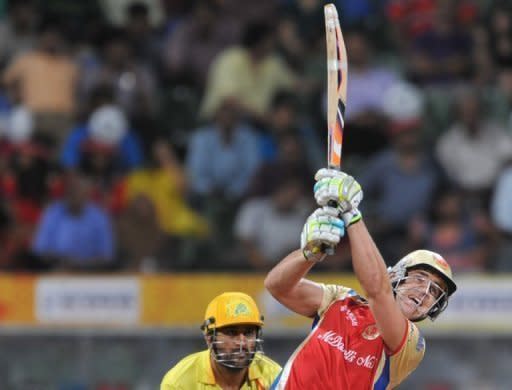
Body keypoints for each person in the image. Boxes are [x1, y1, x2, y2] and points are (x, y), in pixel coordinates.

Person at [265, 169, 457, 389]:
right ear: (396, 275)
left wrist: (351, 213)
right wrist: (309, 254)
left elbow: (377, 290)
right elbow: (276, 286)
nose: (424, 293)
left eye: (435, 292)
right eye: (420, 278)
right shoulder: (340, 299)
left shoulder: (412, 342)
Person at [161, 292, 281, 390]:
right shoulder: (179, 383)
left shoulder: (275, 377)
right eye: (231, 333)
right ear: (209, 337)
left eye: (248, 333)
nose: (242, 342)